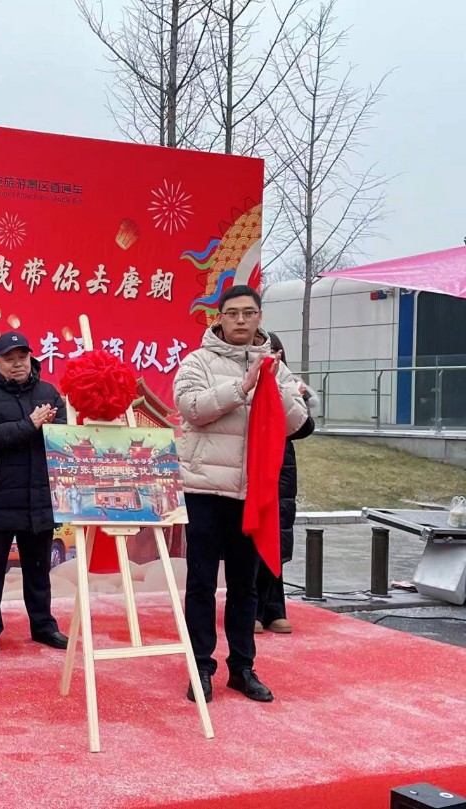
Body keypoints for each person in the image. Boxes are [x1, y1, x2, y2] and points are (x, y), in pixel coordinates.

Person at [173, 284, 308, 704]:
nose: (241, 320)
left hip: (253, 492)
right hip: (206, 488)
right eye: (232, 313)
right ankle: (200, 667)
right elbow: (191, 408)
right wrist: (242, 387)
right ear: (219, 317)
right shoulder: (197, 361)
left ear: (259, 317)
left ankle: (242, 668)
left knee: (245, 586)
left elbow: (295, 424)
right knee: (201, 583)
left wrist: (278, 386)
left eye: (249, 313)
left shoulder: (276, 366)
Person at [0, 331, 69, 653]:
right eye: (9, 359)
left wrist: (49, 425)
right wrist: (30, 424)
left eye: (22, 357)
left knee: (39, 571)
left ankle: (43, 626)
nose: (17, 364)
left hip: (39, 498)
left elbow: (64, 435)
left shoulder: (48, 392)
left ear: (31, 358)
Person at [255, 333, 317, 635]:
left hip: (282, 465)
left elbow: (305, 427)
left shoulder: (290, 384)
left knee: (278, 536)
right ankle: (253, 609)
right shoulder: (248, 380)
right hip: (255, 463)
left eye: (276, 352)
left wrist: (292, 395)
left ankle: (275, 608)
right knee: (257, 536)